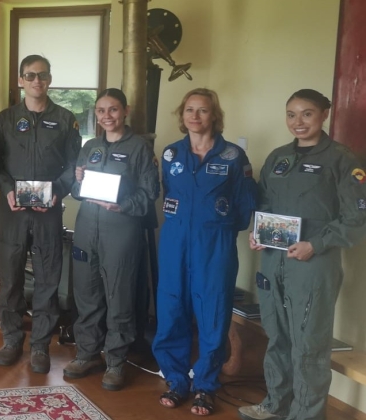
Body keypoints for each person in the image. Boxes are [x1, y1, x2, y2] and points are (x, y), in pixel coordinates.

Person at [239, 89, 366, 420]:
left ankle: (306, 415)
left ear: (324, 114)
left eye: (307, 114)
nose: (298, 122)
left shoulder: (342, 159)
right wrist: (259, 232)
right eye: (291, 114)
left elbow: (357, 218)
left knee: (309, 345)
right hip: (273, 259)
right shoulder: (279, 157)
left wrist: (317, 244)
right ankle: (276, 405)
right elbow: (265, 203)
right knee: (277, 337)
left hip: (313, 264)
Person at [153, 88, 257, 416]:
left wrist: (218, 228)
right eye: (189, 110)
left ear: (214, 115)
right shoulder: (170, 155)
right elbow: (169, 195)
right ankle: (176, 379)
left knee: (213, 315)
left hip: (215, 246)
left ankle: (206, 385)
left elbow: (244, 206)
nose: (195, 116)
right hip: (174, 243)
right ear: (182, 116)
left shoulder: (233, 157)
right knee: (171, 309)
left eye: (202, 110)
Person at [0, 54, 81, 374]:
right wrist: (7, 188)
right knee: (11, 276)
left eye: (42, 75)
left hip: (48, 211)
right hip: (12, 209)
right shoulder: (5, 119)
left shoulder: (66, 119)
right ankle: (12, 339)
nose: (36, 81)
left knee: (47, 278)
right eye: (30, 75)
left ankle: (40, 344)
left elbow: (73, 166)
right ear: (21, 80)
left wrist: (58, 191)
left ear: (50, 79)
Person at [66, 88, 158, 390]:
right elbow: (78, 191)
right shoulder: (90, 145)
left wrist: (123, 205)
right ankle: (88, 353)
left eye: (114, 110)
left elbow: (149, 194)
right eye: (102, 111)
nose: (107, 116)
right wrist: (77, 181)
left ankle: (116, 361)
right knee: (86, 294)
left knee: (119, 298)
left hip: (120, 230)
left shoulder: (140, 148)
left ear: (125, 111)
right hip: (86, 230)